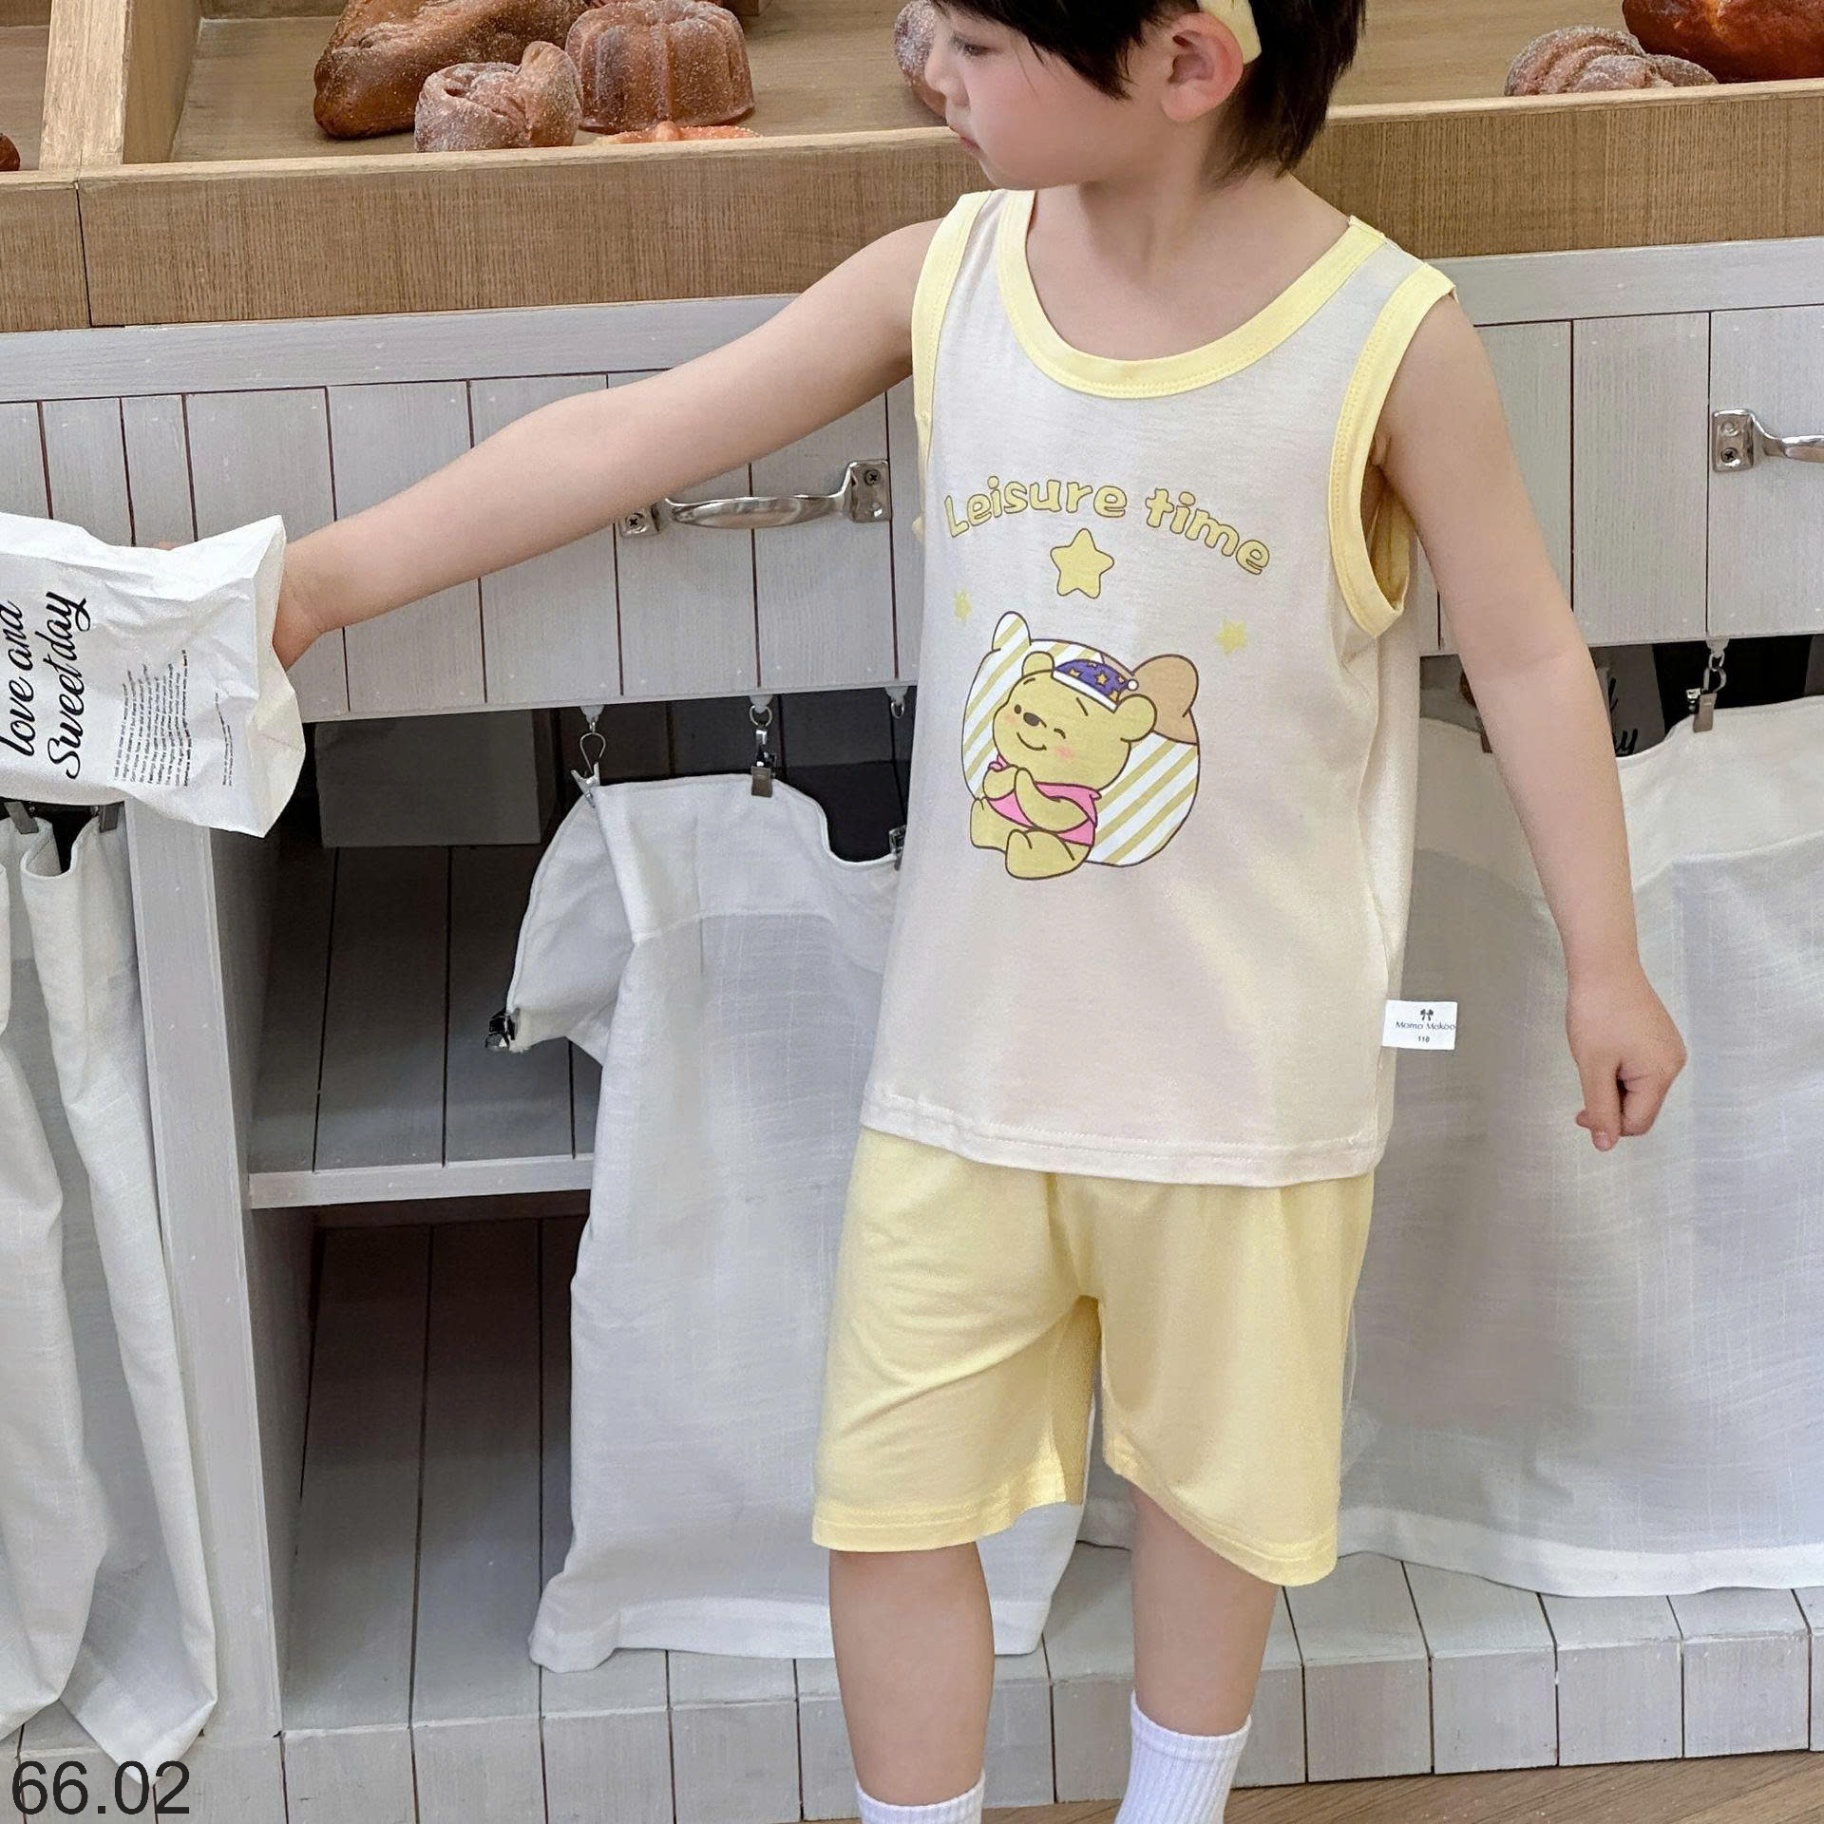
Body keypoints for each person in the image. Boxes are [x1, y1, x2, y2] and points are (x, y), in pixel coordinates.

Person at [273, 2, 1689, 1819]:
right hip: (962, 1085)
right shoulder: (941, 280)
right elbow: (624, 438)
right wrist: (323, 581)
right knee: (891, 1506)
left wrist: (1606, 963)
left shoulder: (1385, 339)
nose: (930, 69)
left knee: (1212, 1506)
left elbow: (1529, 653)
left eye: (979, 40)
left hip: (1247, 1107)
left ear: (1189, 63)